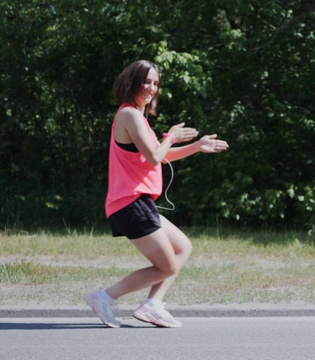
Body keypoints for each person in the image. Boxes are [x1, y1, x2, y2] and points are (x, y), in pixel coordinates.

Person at [84, 60, 229, 328]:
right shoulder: (129, 115)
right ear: (132, 82)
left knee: (183, 246)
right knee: (168, 266)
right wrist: (171, 135)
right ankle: (104, 297)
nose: (152, 88)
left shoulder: (139, 118)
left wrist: (197, 146)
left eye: (155, 83)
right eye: (147, 81)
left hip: (139, 202)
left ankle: (153, 304)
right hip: (130, 203)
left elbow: (162, 157)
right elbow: (154, 157)